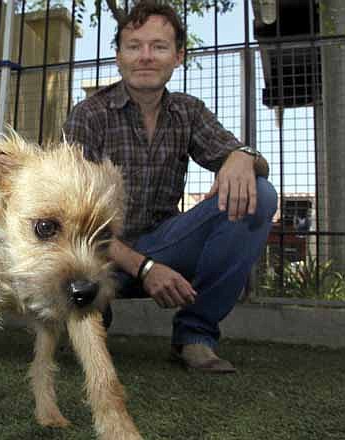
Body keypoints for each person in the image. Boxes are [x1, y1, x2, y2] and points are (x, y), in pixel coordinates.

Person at [63, 0, 277, 373]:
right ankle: (86, 322)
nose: (145, 56)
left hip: (163, 245)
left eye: (159, 47)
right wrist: (144, 268)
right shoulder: (89, 115)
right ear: (118, 57)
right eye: (134, 46)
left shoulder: (188, 111)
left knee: (261, 193)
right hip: (96, 255)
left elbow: (250, 161)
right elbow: (72, 219)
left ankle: (195, 336)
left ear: (178, 56)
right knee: (86, 329)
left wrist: (241, 156)